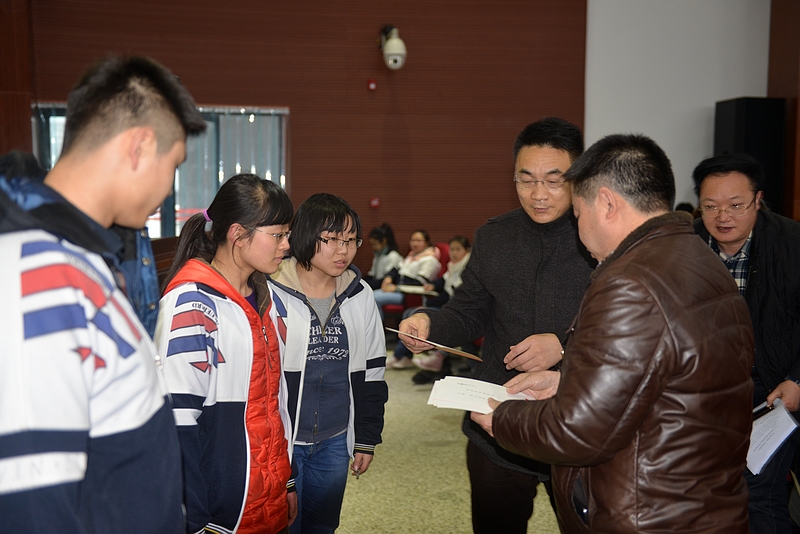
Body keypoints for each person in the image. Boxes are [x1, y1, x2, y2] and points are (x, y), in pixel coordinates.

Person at [472, 134, 754, 533]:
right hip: (700, 502)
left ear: (606, 203)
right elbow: (667, 380)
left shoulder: (629, 284)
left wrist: (502, 418)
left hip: (647, 512)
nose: (579, 230)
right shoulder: (699, 259)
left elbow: (577, 432)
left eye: (578, 214)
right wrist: (568, 382)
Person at [0, 56, 206, 533]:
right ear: (140, 146)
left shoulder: (81, 257)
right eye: (174, 165)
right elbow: (34, 505)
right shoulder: (34, 272)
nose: (169, 187)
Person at [398, 117, 595, 533]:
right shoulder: (495, 237)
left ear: (578, 177)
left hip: (579, 419)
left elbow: (627, 328)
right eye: (526, 180)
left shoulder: (600, 237)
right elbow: (469, 311)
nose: (538, 194)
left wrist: (564, 346)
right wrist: (429, 322)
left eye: (553, 181)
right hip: (498, 419)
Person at [155, 174, 295, 533]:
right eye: (278, 234)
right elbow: (177, 422)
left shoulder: (269, 300)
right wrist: (195, 520)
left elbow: (275, 405)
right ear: (237, 233)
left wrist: (287, 481)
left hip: (269, 500)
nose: (286, 245)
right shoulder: (192, 304)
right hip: (221, 516)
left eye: (287, 234)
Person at [692, 153, 800, 534]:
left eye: (736, 206)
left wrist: (797, 379)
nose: (723, 217)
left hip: (775, 388)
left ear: (758, 200)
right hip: (706, 390)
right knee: (702, 490)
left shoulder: (792, 244)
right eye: (711, 206)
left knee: (758, 490)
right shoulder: (685, 246)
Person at [268, 193, 388, 533]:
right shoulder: (271, 291)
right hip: (284, 439)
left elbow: (373, 373)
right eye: (333, 239)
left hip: (335, 438)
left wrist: (366, 438)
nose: (343, 250)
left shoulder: (360, 295)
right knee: (283, 526)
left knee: (322, 527)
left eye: (351, 240)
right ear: (306, 236)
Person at [364, 222, 403, 289]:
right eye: (371, 244)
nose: (373, 247)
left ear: (384, 241)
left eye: (375, 244)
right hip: (378, 284)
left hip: (388, 287)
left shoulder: (393, 256)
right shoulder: (378, 255)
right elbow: (371, 274)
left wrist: (368, 285)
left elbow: (388, 278)